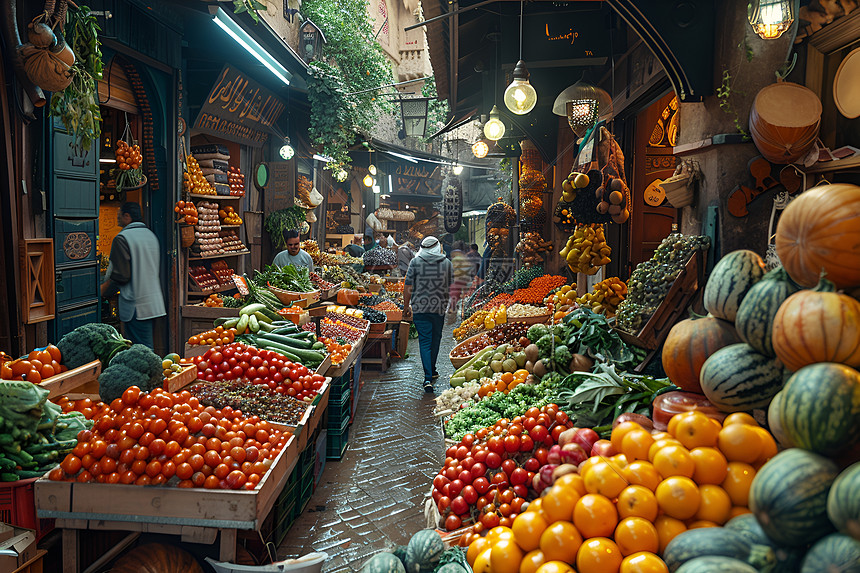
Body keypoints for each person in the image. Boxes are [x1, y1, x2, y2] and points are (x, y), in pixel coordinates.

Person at [100, 202, 166, 349]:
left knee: (141, 349)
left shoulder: (122, 238)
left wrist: (104, 290)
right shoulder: (151, 235)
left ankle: (150, 372)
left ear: (127, 216)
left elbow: (121, 275)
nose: (117, 219)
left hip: (136, 305)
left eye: (119, 216)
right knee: (146, 346)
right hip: (153, 303)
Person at [403, 236, 452, 393]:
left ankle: (427, 377)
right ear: (437, 247)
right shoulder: (446, 263)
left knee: (425, 341)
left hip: (420, 308)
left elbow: (408, 286)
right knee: (436, 339)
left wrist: (406, 306)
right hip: (439, 308)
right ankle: (431, 371)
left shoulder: (415, 263)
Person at [448, 240, 473, 315]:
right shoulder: (465, 258)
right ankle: (462, 310)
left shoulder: (456, 259)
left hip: (457, 279)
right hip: (465, 280)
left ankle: (452, 309)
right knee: (463, 296)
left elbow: (452, 270)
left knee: (454, 293)